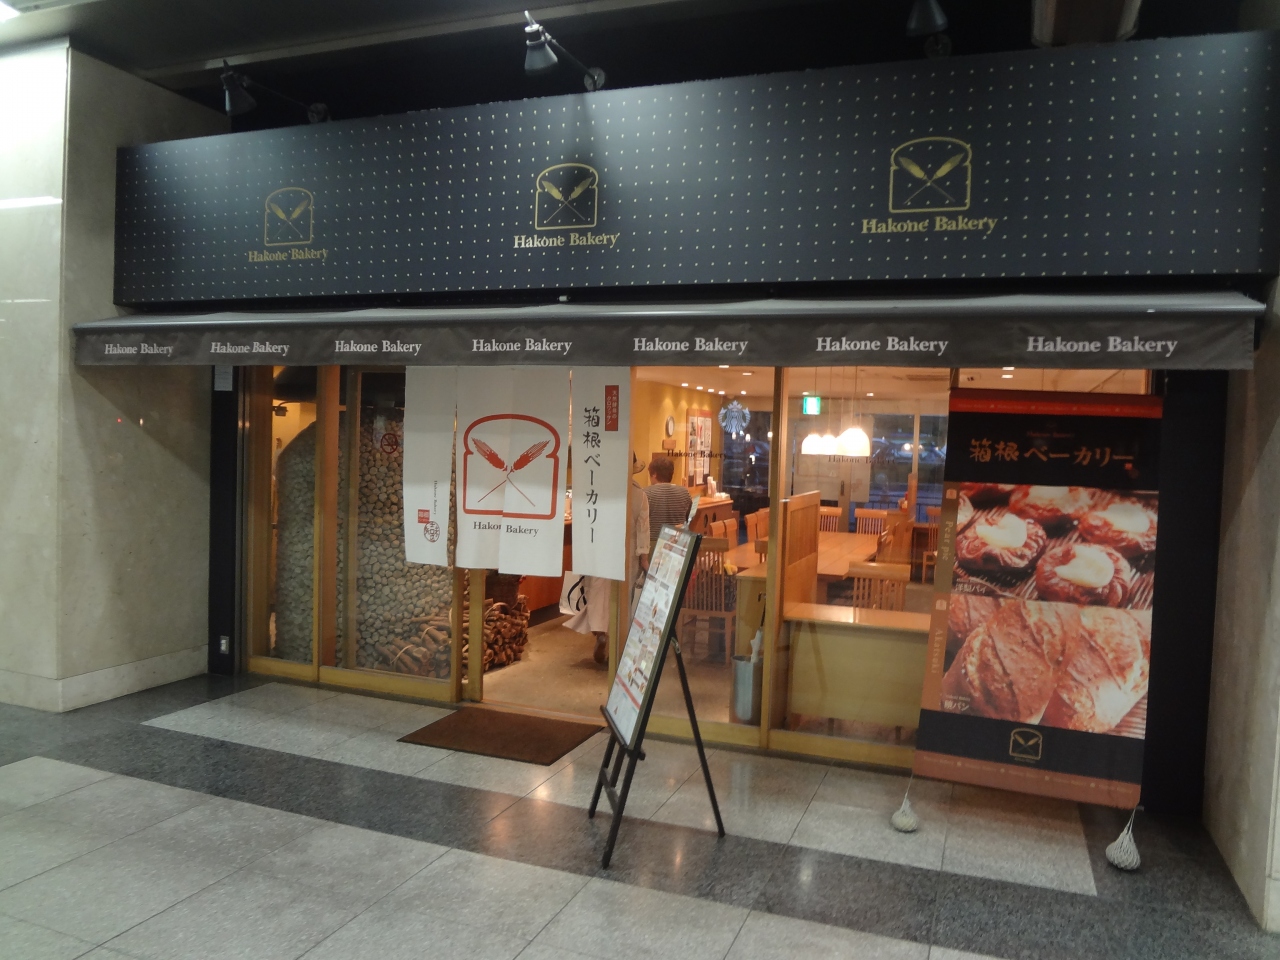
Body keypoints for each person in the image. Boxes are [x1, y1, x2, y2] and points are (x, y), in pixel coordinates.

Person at [565, 453, 651, 665]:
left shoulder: (600, 491)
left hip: (601, 550)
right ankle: (620, 644)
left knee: (599, 594)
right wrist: (644, 557)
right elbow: (643, 528)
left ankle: (601, 633)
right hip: (627, 552)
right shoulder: (639, 495)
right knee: (623, 596)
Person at [645, 454, 693, 549]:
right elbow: (689, 518)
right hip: (677, 543)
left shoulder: (646, 493)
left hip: (654, 543)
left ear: (654, 474)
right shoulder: (684, 492)